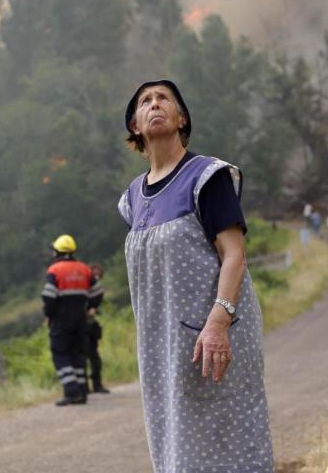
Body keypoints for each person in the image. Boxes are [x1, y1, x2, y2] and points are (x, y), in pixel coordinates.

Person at [117, 80, 273, 471]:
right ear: (135, 125)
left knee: (228, 438)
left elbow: (234, 255)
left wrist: (217, 323)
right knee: (177, 444)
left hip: (215, 338)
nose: (154, 104)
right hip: (162, 349)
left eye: (163, 98)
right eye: (145, 101)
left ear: (181, 118)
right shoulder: (133, 197)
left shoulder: (207, 177)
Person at [41, 234, 103, 406]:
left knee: (60, 353)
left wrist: (49, 314)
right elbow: (97, 292)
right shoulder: (84, 269)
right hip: (81, 320)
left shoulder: (55, 270)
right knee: (78, 354)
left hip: (61, 320)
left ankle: (71, 390)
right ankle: (82, 391)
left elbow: (48, 296)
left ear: (57, 251)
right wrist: (91, 307)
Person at [85, 263, 110, 394]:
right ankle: (85, 387)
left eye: (99, 277)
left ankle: (96, 385)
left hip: (90, 326)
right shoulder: (83, 284)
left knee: (94, 358)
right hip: (81, 327)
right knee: (84, 358)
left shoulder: (96, 292)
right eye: (95, 276)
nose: (97, 279)